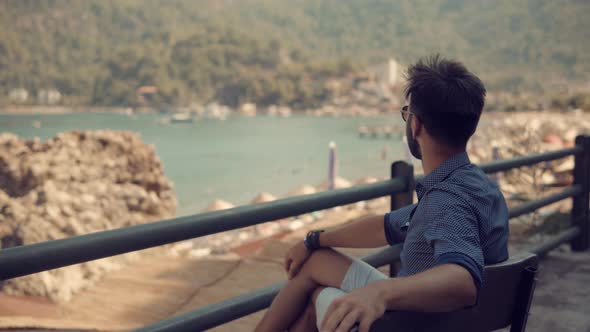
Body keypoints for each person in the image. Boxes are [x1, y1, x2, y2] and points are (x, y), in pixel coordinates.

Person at [254, 54, 509, 332]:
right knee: (317, 262)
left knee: (317, 299)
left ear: (416, 124)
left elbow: (463, 281)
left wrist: (381, 292)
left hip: (411, 322)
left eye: (406, 113)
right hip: (443, 318)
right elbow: (386, 226)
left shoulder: (445, 201)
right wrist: (314, 240)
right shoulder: (476, 185)